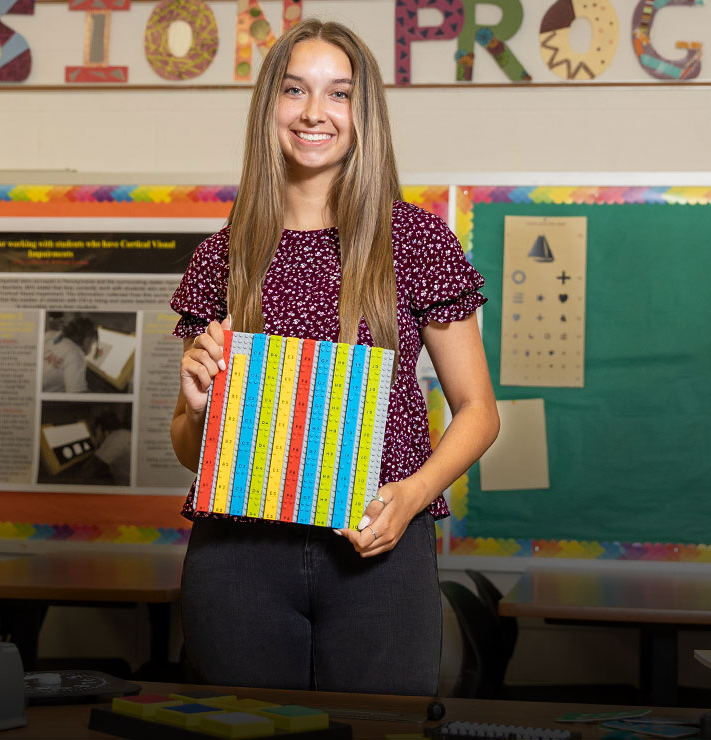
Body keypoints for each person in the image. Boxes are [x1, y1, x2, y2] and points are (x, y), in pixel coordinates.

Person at [168, 19, 499, 695]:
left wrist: (413, 497)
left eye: (338, 93)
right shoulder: (222, 254)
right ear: (270, 108)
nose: (315, 111)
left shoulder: (415, 241)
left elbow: (479, 412)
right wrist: (199, 410)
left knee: (382, 728)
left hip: (377, 544)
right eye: (294, 90)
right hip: (238, 553)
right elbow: (184, 443)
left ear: (363, 113)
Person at [42, 315, 97, 393]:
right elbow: (77, 396)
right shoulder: (76, 354)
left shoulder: (51, 334)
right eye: (93, 343)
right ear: (87, 341)